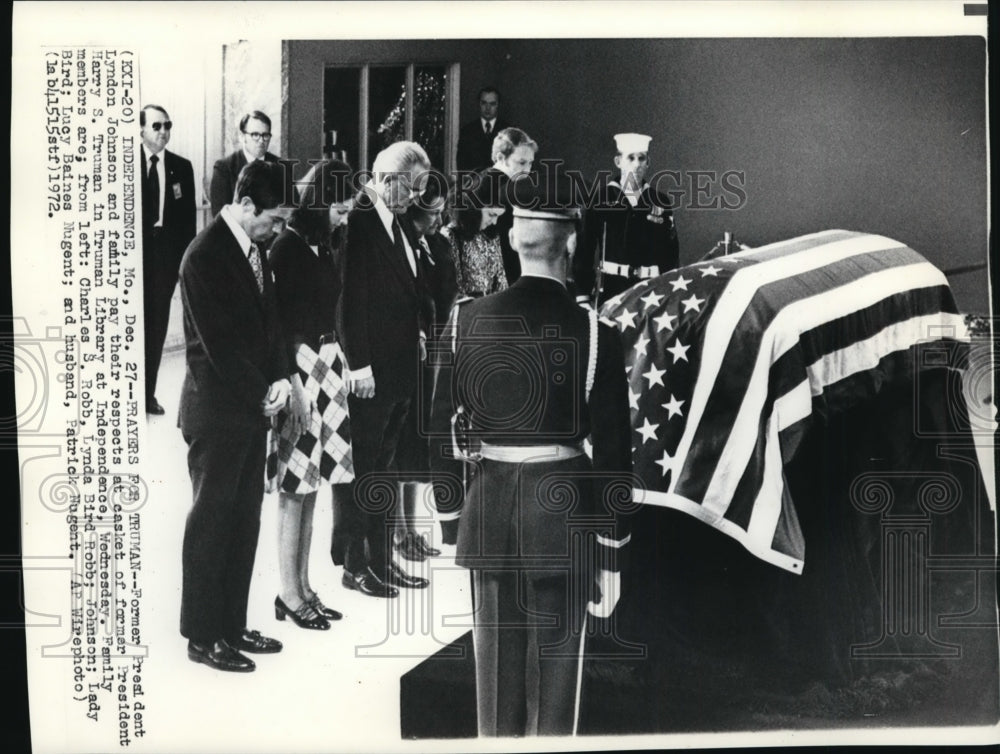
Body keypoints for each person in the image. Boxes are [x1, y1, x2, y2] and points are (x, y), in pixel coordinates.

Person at [431, 181, 633, 736]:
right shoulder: (596, 333)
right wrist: (612, 552)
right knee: (557, 688)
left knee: (494, 699)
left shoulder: (465, 319)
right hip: (564, 520)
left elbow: (439, 431)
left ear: (513, 240)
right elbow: (615, 457)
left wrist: (454, 521)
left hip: (488, 513)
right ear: (570, 244)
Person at [177, 160, 293, 672]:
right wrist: (264, 390)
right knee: (212, 524)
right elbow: (218, 347)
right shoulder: (202, 256)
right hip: (218, 412)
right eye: (273, 219)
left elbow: (272, 325)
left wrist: (282, 378)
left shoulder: (256, 248)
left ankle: (232, 624)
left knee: (243, 522)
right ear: (246, 207)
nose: (278, 229)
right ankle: (203, 637)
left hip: (251, 407)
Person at [336, 141, 435, 597]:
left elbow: (407, 287)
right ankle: (358, 565)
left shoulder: (395, 221)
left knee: (386, 468)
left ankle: (381, 559)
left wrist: (416, 329)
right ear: (387, 178)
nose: (414, 198)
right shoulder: (357, 220)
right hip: (371, 371)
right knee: (368, 471)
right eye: (410, 188)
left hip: (398, 368)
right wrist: (359, 363)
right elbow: (349, 301)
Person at [266, 159, 356, 630]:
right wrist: (295, 381)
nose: (344, 218)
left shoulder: (321, 245)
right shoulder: (286, 247)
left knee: (314, 483)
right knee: (294, 486)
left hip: (328, 365)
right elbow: (277, 323)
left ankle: (303, 586)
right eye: (340, 209)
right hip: (301, 371)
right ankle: (287, 591)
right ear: (320, 202)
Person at [392, 175, 454, 562]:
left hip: (434, 349)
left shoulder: (437, 243)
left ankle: (412, 528)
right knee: (401, 447)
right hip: (411, 351)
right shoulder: (402, 243)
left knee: (417, 445)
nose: (439, 217)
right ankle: (399, 531)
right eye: (433, 210)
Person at [572, 132, 680, 307]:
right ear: (618, 162)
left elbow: (670, 253)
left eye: (641, 158)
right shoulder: (600, 199)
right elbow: (584, 249)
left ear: (648, 163)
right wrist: (583, 295)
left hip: (650, 293)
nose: (637, 164)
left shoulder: (660, 201)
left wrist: (670, 293)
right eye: (630, 158)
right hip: (612, 290)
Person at [139, 104, 196, 416]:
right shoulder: (124, 164)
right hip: (133, 256)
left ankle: (147, 394)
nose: (163, 132)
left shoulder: (181, 167)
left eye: (167, 126)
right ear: (142, 130)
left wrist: (180, 265)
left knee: (156, 326)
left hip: (164, 259)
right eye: (157, 126)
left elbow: (187, 222)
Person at [481, 127, 537, 285]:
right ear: (500, 157)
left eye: (530, 163)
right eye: (521, 163)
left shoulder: (484, 179)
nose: (527, 170)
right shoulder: (503, 189)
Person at [440, 178, 507, 298]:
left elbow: (501, 283)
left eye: (498, 216)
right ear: (474, 208)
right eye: (491, 215)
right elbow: (453, 292)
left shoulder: (491, 235)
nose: (495, 222)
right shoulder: (450, 235)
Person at [209, 110, 281, 216]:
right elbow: (220, 216)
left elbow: (290, 210)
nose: (261, 140)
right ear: (242, 137)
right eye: (255, 134)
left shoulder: (281, 167)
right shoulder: (224, 168)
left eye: (265, 135)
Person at [455, 86, 508, 173]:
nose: (487, 108)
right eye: (484, 103)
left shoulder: (507, 132)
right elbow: (461, 166)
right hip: (474, 184)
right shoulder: (467, 131)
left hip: (501, 184)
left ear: (498, 105)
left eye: (492, 104)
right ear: (479, 104)